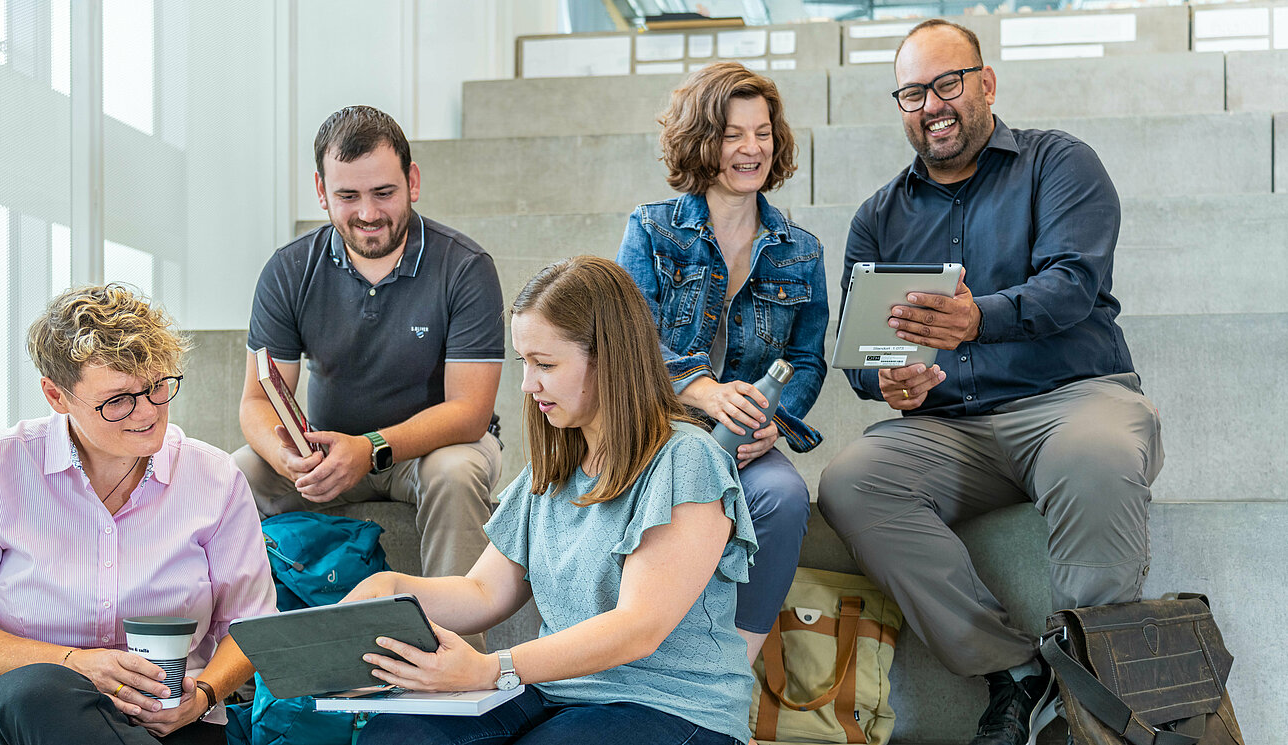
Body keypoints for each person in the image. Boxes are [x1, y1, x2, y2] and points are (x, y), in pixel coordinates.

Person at [816, 20, 1163, 745]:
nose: (932, 104)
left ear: (986, 83)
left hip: (1073, 399)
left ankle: (1087, 691)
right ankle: (1010, 670)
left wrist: (980, 320)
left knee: (1098, 456)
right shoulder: (877, 218)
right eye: (913, 92)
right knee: (852, 479)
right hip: (948, 429)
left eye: (947, 83)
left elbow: (1073, 284)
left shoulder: (1059, 163)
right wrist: (889, 382)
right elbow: (856, 355)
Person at [345, 256, 758, 745]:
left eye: (545, 364)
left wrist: (489, 667)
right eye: (524, 362)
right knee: (398, 734)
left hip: (673, 705)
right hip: (555, 693)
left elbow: (637, 628)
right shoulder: (555, 465)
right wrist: (391, 588)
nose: (527, 384)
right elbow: (485, 593)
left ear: (610, 358)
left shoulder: (687, 459)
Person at [0, 284, 277, 745]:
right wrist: (73, 664)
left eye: (158, 386)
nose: (148, 412)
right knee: (40, 691)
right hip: (16, 720)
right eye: (118, 399)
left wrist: (202, 695)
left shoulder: (215, 477)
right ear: (57, 396)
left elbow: (251, 625)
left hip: (165, 719)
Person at [234, 105, 504, 583]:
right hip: (329, 454)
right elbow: (258, 399)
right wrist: (288, 458)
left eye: (384, 193)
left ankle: (458, 647)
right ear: (321, 191)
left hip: (434, 450)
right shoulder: (289, 270)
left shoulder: (465, 267)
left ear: (412, 181)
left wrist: (370, 448)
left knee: (456, 472)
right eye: (347, 195)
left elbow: (471, 410)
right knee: (238, 474)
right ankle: (246, 642)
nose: (368, 213)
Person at [616, 61, 827, 661]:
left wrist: (772, 422)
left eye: (762, 132)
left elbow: (807, 361)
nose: (751, 148)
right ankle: (642, 658)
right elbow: (629, 344)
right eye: (733, 134)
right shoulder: (652, 230)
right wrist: (702, 390)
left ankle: (734, 668)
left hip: (745, 438)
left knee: (784, 498)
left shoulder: (801, 250)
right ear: (702, 142)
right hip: (659, 430)